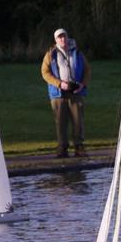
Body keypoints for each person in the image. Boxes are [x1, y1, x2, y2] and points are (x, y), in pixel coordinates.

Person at [41, 28, 91, 158]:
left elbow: (87, 70)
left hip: (76, 90)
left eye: (64, 36)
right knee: (60, 122)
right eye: (60, 37)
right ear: (56, 40)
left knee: (78, 121)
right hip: (58, 93)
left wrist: (83, 84)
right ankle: (62, 148)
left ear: (67, 37)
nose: (62, 39)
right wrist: (59, 83)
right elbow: (45, 72)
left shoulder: (77, 52)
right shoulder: (50, 54)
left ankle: (79, 147)